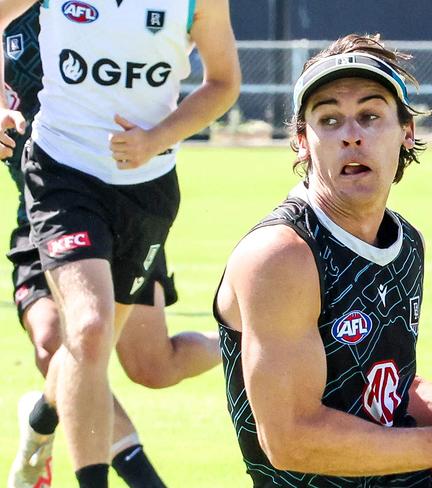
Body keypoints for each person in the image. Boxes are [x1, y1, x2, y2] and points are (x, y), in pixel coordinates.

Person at [213, 34, 432, 487]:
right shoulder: (282, 255)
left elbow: (386, 387)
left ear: (407, 132)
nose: (351, 134)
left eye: (370, 115)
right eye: (329, 119)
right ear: (303, 141)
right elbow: (288, 440)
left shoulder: (405, 242)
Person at [0, 0, 240, 486]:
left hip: (142, 189)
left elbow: (224, 82)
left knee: (148, 363)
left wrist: (157, 138)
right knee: (80, 332)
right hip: (56, 183)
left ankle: (252, 341)